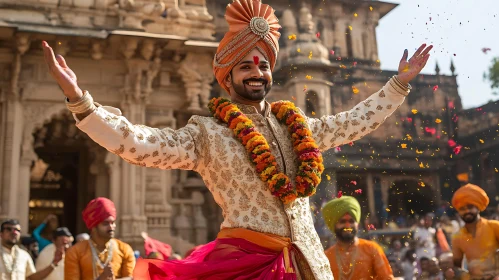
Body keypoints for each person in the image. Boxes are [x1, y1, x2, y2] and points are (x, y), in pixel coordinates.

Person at [42, 0, 432, 277]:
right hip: (247, 264)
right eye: (245, 65)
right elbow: (142, 144)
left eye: (263, 64)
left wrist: (398, 85)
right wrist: (83, 104)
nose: (257, 72)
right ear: (227, 77)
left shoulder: (296, 129)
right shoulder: (207, 133)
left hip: (309, 262)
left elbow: (352, 122)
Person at [322, 196, 395, 279]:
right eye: (342, 221)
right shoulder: (326, 257)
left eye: (351, 221)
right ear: (334, 225)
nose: (347, 225)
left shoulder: (372, 249)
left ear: (357, 224)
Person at [64, 198, 135, 280]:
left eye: (113, 222)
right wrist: (101, 278)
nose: (111, 227)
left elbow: (131, 278)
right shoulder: (75, 252)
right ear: (93, 227)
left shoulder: (124, 249)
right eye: (105, 223)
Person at [450, 184, 499, 279]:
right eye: (462, 209)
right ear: (458, 212)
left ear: (478, 207)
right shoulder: (457, 237)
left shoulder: (494, 226)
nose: (467, 211)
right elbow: (456, 267)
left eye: (470, 207)